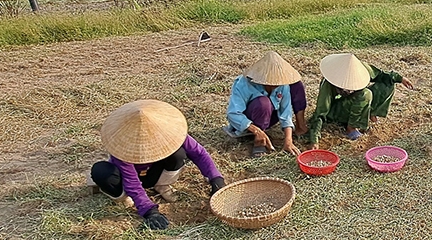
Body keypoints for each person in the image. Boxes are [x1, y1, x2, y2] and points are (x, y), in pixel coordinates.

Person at [90, 100, 226, 230]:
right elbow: (131, 181)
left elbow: (199, 153)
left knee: (178, 153)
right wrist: (149, 211)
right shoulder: (123, 146)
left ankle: (161, 184)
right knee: (101, 172)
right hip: (126, 180)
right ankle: (124, 196)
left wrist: (215, 179)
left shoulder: (170, 133)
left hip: (155, 172)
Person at [306, 53, 414, 144]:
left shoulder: (361, 68)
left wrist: (400, 78)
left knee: (387, 83)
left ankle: (371, 113)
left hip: (356, 102)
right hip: (337, 111)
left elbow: (381, 75)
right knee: (365, 94)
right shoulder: (328, 84)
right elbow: (321, 112)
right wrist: (314, 138)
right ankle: (351, 127)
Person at [224, 51, 305, 158]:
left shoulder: (282, 85)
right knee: (263, 103)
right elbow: (233, 113)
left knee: (271, 102)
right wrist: (256, 130)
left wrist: (288, 141)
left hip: (268, 117)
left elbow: (286, 114)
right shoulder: (244, 83)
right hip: (248, 120)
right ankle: (258, 142)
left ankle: (263, 131)